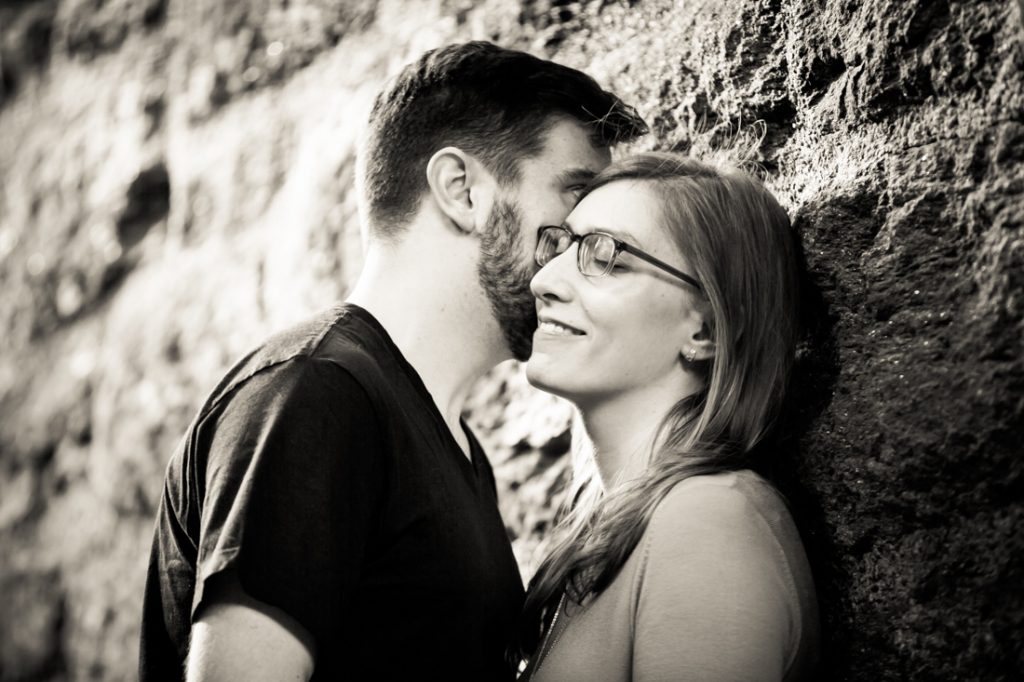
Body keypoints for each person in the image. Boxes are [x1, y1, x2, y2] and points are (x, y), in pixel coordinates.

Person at [139, 41, 647, 681]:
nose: (581, 247)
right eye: (572, 200)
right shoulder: (316, 398)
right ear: (461, 189)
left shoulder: (456, 447)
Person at [516, 152, 820, 680]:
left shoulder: (708, 522)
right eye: (560, 246)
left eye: (607, 257)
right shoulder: (611, 520)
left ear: (705, 329)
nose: (545, 280)